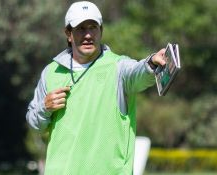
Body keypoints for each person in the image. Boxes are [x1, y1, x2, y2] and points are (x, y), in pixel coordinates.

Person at [26, 1, 166, 174]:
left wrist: (151, 63)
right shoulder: (51, 72)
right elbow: (34, 124)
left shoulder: (118, 67)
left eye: (93, 27)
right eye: (81, 29)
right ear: (68, 34)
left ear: (101, 31)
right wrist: (45, 108)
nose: (88, 35)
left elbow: (138, 73)